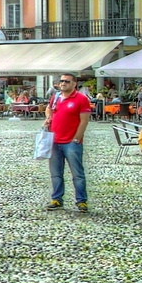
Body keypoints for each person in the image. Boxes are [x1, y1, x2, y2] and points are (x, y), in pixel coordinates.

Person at [45, 72, 91, 213]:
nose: (63, 83)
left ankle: (81, 201)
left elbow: (84, 120)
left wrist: (77, 138)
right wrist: (48, 117)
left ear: (74, 84)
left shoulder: (81, 99)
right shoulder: (56, 97)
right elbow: (49, 108)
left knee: (77, 173)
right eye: (61, 81)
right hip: (55, 140)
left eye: (66, 81)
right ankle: (57, 199)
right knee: (56, 173)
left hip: (71, 142)